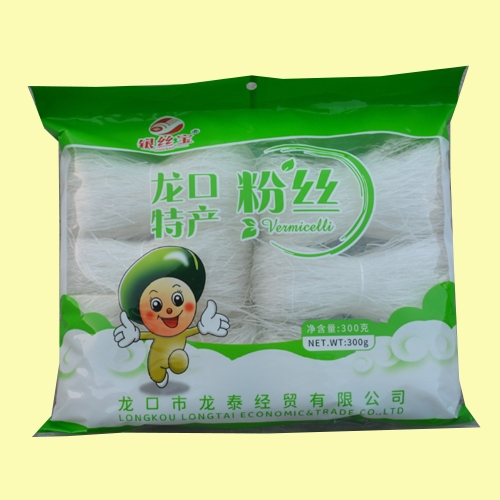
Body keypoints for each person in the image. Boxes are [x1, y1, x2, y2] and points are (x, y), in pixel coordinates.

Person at [113, 246, 229, 388]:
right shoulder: (157, 332)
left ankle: (175, 368)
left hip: (177, 356)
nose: (169, 310)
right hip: (156, 361)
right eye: (156, 305)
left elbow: (193, 331)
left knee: (177, 360)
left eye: (178, 300)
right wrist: (135, 335)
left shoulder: (180, 331)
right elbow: (145, 335)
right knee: (156, 374)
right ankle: (161, 379)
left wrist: (203, 327)